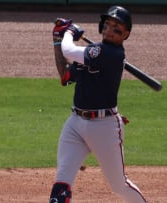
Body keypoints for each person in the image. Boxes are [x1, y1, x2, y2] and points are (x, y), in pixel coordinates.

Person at [49, 6, 147, 203]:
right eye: (108, 25)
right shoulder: (92, 52)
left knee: (119, 185)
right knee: (62, 182)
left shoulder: (111, 53)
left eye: (116, 28)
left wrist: (67, 32)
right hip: (75, 124)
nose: (110, 30)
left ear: (125, 34)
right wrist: (57, 40)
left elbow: (69, 50)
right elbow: (65, 76)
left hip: (104, 128)